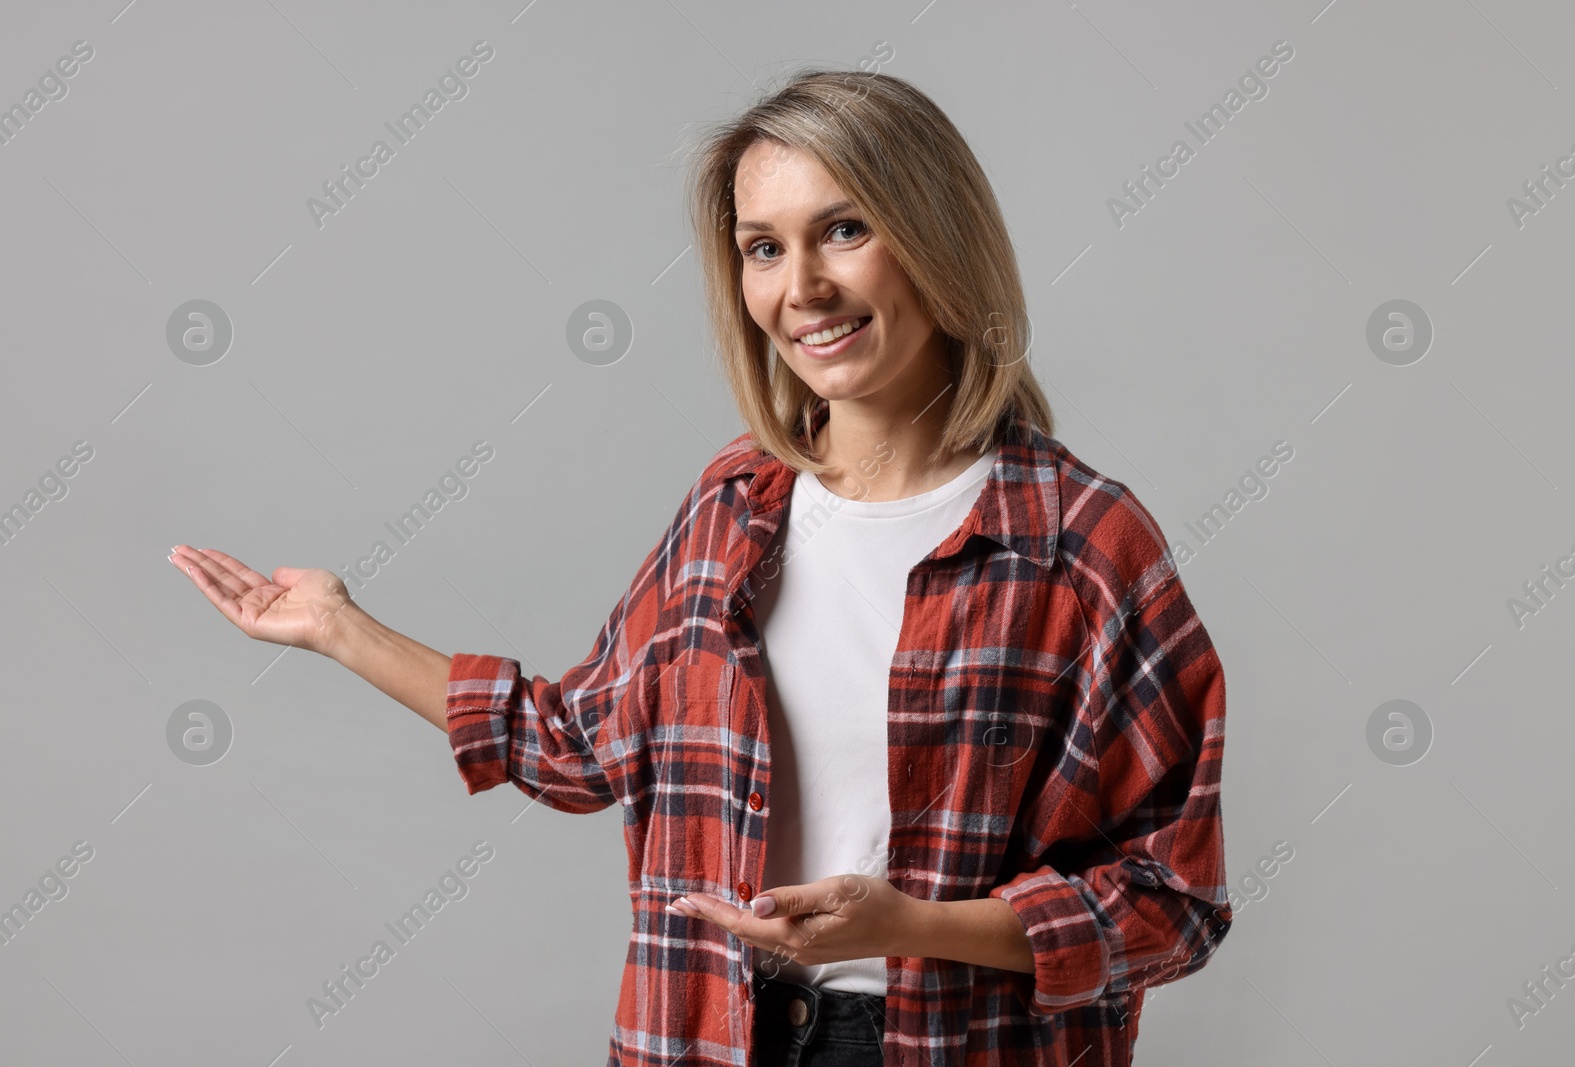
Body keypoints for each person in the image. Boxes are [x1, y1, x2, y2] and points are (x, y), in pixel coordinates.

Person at [170, 68, 1232, 1067]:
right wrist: (336, 624)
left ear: (937, 237)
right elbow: (575, 744)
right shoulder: (737, 508)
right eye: (762, 248)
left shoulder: (1081, 542)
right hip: (715, 1028)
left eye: (844, 230)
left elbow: (1172, 901)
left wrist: (911, 924)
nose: (802, 287)